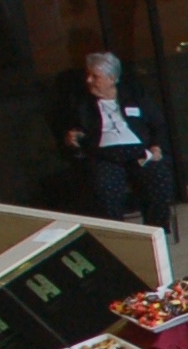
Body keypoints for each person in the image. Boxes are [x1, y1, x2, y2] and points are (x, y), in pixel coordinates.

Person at [58, 51, 175, 232]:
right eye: (88, 75)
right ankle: (116, 234)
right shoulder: (82, 102)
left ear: (111, 78)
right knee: (105, 187)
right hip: (104, 156)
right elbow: (74, 129)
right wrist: (72, 137)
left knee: (158, 177)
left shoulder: (134, 95)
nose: (88, 80)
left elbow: (159, 124)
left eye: (95, 76)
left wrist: (156, 147)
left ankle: (155, 232)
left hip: (139, 153)